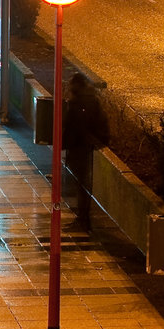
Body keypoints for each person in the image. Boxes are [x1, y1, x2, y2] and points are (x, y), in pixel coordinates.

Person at [63, 73, 108, 231]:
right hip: (81, 147)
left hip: (81, 148)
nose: (68, 87)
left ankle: (83, 220)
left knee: (82, 185)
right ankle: (82, 219)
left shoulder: (81, 102)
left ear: (77, 85)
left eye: (71, 84)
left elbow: (77, 127)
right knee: (81, 185)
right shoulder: (86, 100)